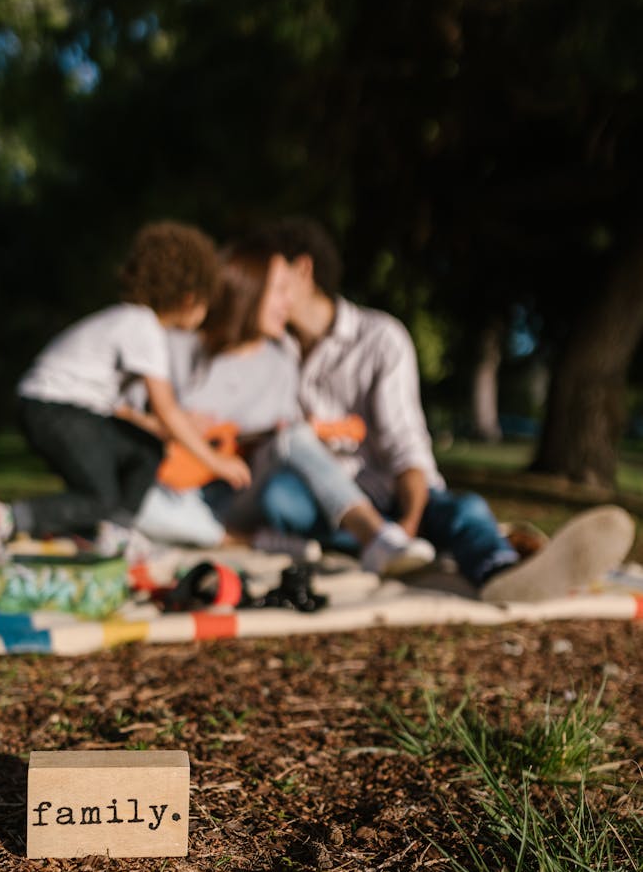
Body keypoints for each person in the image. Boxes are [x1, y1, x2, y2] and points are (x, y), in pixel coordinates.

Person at [240, 217, 634, 601]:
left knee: (462, 509)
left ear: (302, 269)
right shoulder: (273, 351)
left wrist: (408, 523)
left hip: (395, 494)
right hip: (327, 509)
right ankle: (414, 546)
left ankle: (498, 571)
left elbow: (406, 447)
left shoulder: (379, 339)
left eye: (266, 277)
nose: (253, 288)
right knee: (279, 498)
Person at [0, 221, 251, 568]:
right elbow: (167, 409)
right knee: (98, 498)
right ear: (190, 299)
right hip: (54, 409)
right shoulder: (143, 327)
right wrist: (216, 461)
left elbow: (128, 413)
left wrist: (163, 426)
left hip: (53, 407)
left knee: (146, 448)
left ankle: (116, 534)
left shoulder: (127, 321)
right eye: (206, 305)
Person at [134, 244, 437, 577]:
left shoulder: (281, 362)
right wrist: (166, 423)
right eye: (278, 291)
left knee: (292, 436)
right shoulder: (180, 348)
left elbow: (278, 442)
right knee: (134, 504)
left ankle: (374, 535)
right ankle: (246, 540)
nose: (287, 303)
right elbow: (117, 414)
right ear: (248, 291)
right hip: (173, 493)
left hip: (237, 495)